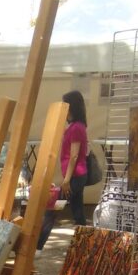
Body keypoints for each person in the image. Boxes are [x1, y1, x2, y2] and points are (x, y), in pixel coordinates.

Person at [59, 89, 88, 228]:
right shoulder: (75, 126)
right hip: (76, 174)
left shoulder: (76, 127)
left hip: (75, 175)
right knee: (77, 207)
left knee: (54, 201)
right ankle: (81, 229)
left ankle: (40, 238)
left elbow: (74, 155)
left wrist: (66, 180)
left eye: (65, 105)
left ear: (71, 107)